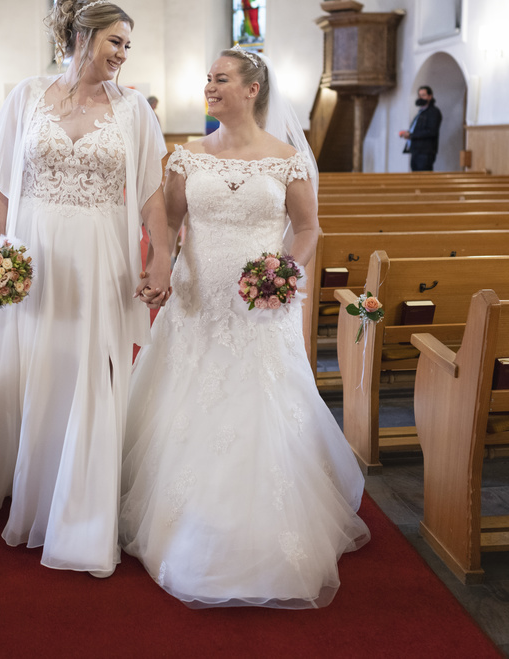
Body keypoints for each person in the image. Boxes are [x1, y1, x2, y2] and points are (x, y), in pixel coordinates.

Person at [0, 0, 168, 578]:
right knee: (40, 364)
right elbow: (1, 187)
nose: (123, 54)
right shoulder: (26, 96)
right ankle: (33, 482)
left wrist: (160, 257)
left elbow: (153, 195)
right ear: (81, 38)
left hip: (100, 256)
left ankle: (82, 505)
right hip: (36, 255)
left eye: (128, 45)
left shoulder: (135, 110)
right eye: (116, 41)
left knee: (90, 368)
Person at [119, 48, 370, 609]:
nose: (210, 87)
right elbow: (174, 222)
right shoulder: (186, 158)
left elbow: (307, 229)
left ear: (253, 89)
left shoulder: (286, 159)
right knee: (184, 400)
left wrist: (283, 269)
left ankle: (252, 527)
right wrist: (160, 263)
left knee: (257, 406)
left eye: (222, 79)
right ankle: (179, 515)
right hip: (197, 300)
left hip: (259, 304)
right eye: (207, 79)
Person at [398, 85, 441, 172]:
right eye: (419, 95)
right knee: (415, 177)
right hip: (416, 150)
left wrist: (411, 135)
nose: (420, 97)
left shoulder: (433, 112)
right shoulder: (421, 112)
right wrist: (408, 133)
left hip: (425, 152)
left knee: (423, 178)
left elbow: (431, 132)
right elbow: (418, 129)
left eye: (423, 95)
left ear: (430, 96)